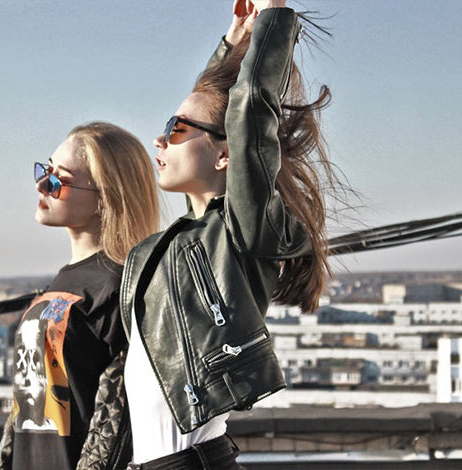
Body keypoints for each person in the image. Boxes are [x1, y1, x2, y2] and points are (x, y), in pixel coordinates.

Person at [117, 1, 336, 468]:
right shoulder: (169, 247)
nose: (160, 140)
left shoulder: (240, 235)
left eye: (176, 130)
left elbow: (248, 110)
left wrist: (273, 18)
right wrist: (233, 44)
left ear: (226, 156)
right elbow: (214, 111)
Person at [0, 122, 159, 470]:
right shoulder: (65, 280)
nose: (42, 185)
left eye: (59, 180)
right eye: (45, 171)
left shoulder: (122, 288)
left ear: (106, 198)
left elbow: (126, 419)